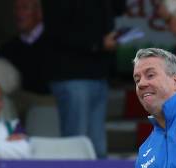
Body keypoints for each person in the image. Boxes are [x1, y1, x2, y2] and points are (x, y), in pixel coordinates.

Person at [42, 0, 126, 158]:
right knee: (76, 145)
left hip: (98, 74)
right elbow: (57, 32)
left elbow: (119, 9)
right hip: (72, 75)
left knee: (97, 148)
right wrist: (98, 43)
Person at [0, 0, 54, 121]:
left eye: (25, 8)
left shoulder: (55, 42)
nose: (19, 13)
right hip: (18, 101)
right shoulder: (7, 47)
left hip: (47, 102)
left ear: (39, 13)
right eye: (17, 9)